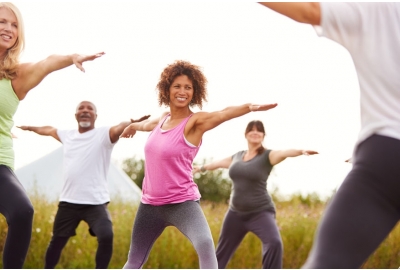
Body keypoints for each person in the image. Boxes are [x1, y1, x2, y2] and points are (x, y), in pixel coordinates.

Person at [259, 2, 400, 268]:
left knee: (328, 263)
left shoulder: (378, 10)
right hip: (382, 163)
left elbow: (308, 10)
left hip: (385, 158)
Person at [119, 60, 277, 268]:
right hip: (150, 205)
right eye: (177, 86)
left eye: (188, 87)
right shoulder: (162, 120)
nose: (182, 91)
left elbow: (222, 114)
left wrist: (248, 108)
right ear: (167, 89)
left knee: (204, 243)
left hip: (182, 203)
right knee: (134, 260)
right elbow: (145, 124)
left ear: (195, 92)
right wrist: (132, 126)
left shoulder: (195, 123)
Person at [0, 2, 104, 268]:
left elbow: (46, 63)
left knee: (23, 211)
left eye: (14, 25)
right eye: (2, 22)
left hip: (0, 163)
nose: (9, 28)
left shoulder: (16, 75)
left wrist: (71, 58)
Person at [18, 101, 149, 268]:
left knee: (106, 235)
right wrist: (30, 127)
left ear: (96, 116)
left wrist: (131, 123)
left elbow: (118, 127)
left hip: (95, 203)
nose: (85, 110)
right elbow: (49, 130)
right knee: (56, 241)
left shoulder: (103, 134)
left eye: (90, 109)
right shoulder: (67, 135)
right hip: (68, 202)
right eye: (81, 108)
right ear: (76, 115)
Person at [193, 120, 318, 269]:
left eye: (259, 130)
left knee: (274, 243)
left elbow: (284, 153)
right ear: (246, 134)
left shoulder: (267, 156)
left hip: (260, 212)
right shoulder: (237, 157)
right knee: (220, 253)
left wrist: (300, 151)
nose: (255, 132)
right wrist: (200, 168)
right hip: (235, 214)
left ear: (263, 135)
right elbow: (217, 163)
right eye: (251, 130)